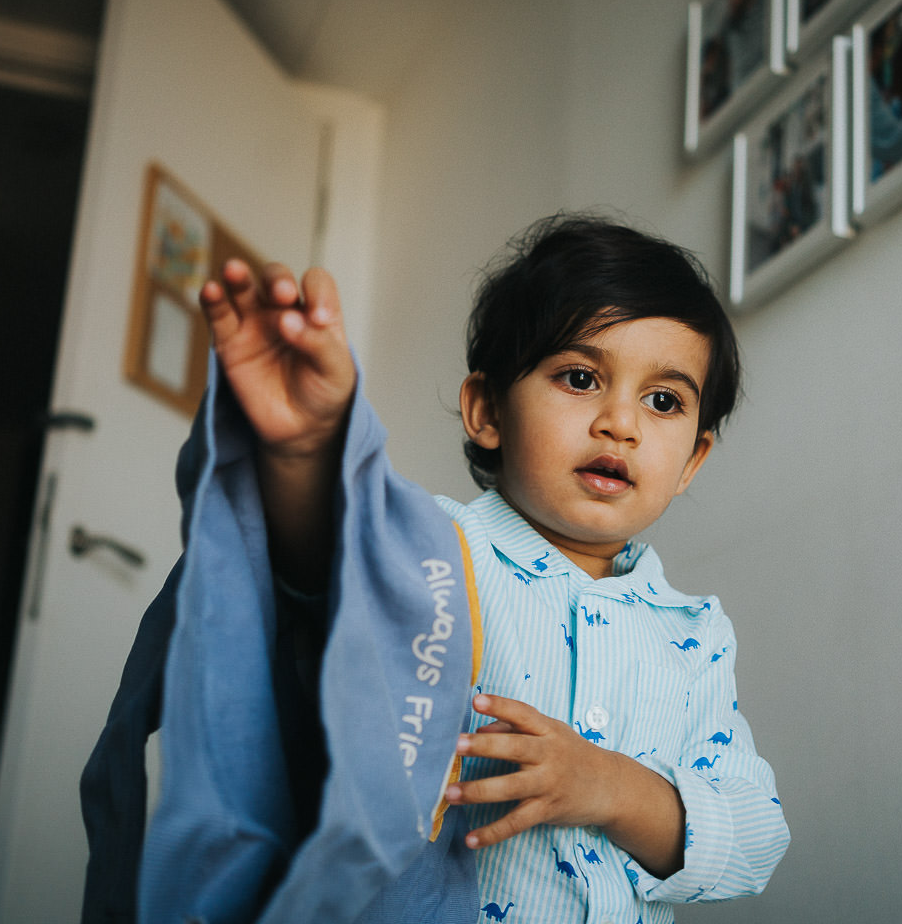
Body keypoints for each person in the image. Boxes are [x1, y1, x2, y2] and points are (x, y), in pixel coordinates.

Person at [198, 214, 790, 922]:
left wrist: (611, 788)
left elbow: (756, 839)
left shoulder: (695, 637)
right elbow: (314, 583)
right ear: (486, 411)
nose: (620, 423)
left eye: (663, 402)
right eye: (580, 378)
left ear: (693, 458)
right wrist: (303, 451)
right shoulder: (437, 549)